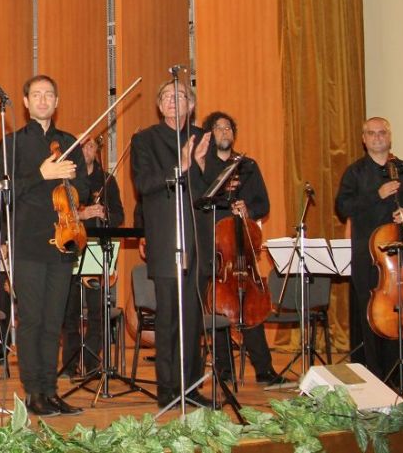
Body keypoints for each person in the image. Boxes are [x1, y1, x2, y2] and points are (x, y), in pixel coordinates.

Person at [0, 75, 86, 416]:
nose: (43, 100)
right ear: (26, 102)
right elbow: (0, 192)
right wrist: (40, 176)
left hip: (63, 241)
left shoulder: (70, 142)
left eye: (49, 94)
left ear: (57, 102)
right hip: (27, 244)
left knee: (53, 321)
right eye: (36, 95)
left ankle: (51, 390)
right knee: (32, 320)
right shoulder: (12, 143)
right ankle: (33, 391)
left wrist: (72, 179)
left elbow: (85, 186)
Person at [130, 79, 212, 408]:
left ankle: (191, 387)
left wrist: (201, 165)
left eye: (180, 96)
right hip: (166, 240)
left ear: (191, 105)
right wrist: (181, 165)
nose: (173, 101)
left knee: (192, 319)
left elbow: (209, 191)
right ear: (159, 105)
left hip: (198, 240)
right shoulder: (145, 139)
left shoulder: (201, 138)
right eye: (166, 96)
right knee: (169, 319)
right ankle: (168, 389)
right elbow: (144, 183)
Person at [198, 112, 285, 386]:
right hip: (215, 250)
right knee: (218, 307)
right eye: (219, 128)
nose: (225, 132)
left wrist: (248, 209)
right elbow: (197, 202)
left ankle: (264, 369)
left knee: (251, 307)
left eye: (228, 128)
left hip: (242, 251)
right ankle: (224, 368)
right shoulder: (203, 166)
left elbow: (263, 205)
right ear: (210, 134)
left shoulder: (247, 166)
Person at [336, 117, 403, 381]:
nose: (377, 137)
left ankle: (396, 376)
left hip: (400, 259)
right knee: (371, 316)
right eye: (371, 133)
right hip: (368, 258)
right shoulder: (355, 172)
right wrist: (377, 194)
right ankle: (372, 377)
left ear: (389, 137)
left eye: (382, 132)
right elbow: (343, 207)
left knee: (399, 315)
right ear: (364, 139)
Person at [62, 135, 124, 379]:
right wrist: (82, 213)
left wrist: (104, 214)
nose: (87, 150)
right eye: (83, 147)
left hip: (97, 248)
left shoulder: (107, 181)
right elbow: (61, 213)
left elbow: (119, 215)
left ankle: (91, 363)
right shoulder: (67, 178)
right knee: (70, 311)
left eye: (91, 146)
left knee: (98, 311)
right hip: (71, 247)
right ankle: (69, 364)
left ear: (97, 151)